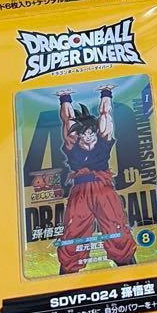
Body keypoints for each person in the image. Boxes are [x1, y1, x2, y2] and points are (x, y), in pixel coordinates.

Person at [55, 87, 137, 274]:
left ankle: (128, 266)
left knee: (115, 226)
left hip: (103, 188)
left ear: (95, 132)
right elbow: (68, 120)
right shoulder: (73, 144)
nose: (88, 137)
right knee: (74, 231)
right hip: (81, 191)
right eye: (84, 134)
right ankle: (68, 273)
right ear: (79, 135)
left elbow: (105, 113)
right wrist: (65, 98)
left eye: (91, 133)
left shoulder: (103, 141)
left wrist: (106, 93)